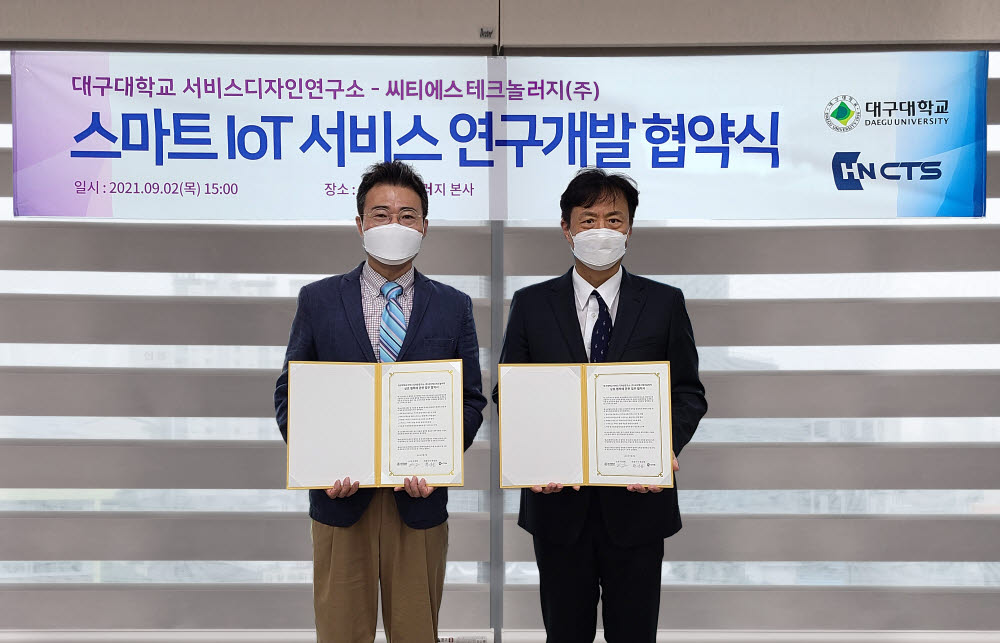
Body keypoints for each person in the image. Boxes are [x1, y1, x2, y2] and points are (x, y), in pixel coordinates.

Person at [274, 160, 487, 643]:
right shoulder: (318, 300)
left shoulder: (453, 305)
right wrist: (319, 463)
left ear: (425, 226)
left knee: (415, 632)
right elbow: (291, 394)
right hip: (340, 499)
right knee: (341, 632)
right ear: (360, 224)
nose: (395, 225)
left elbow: (470, 400)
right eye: (381, 214)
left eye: (407, 215)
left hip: (420, 500)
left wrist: (438, 459)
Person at [494, 168, 707, 643]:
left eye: (614, 220)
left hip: (638, 505)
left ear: (630, 228)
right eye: (588, 220)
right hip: (557, 505)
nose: (602, 231)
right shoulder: (531, 304)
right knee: (565, 634)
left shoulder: (664, 303)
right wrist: (536, 455)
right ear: (566, 228)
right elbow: (510, 390)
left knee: (634, 635)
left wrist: (662, 447)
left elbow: (688, 393)